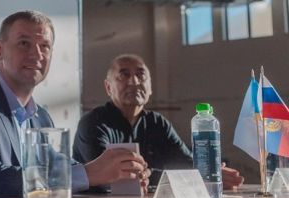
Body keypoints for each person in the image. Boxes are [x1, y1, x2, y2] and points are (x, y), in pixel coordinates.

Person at [0, 11, 149, 198]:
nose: (36, 54)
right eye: (24, 43)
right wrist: (89, 174)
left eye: (45, 46)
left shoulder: (40, 115)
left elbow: (56, 167)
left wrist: (118, 173)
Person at [73, 53, 244, 190]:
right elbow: (109, 177)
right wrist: (194, 176)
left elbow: (189, 164)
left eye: (141, 75)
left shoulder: (157, 123)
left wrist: (210, 172)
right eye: (124, 75)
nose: (134, 82)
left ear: (150, 87)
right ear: (108, 87)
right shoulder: (93, 123)